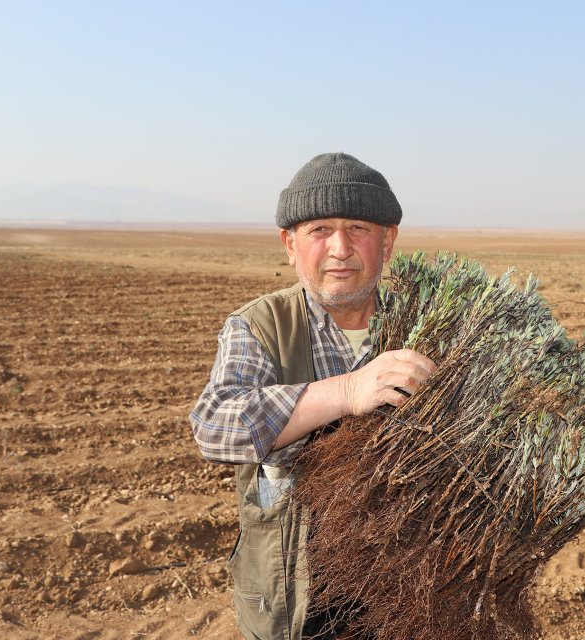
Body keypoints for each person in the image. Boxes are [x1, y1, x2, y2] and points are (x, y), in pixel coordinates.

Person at [189, 152, 436, 640]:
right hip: (296, 602)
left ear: (388, 242)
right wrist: (347, 390)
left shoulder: (437, 326)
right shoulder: (260, 327)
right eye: (319, 230)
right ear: (290, 244)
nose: (339, 248)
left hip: (412, 596)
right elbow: (215, 426)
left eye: (358, 229)